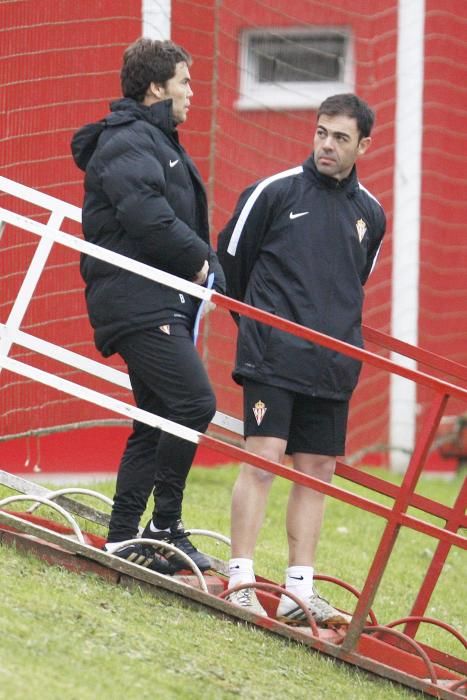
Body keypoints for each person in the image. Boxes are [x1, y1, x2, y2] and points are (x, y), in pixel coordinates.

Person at [217, 93, 386, 625]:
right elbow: (229, 260)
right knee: (263, 458)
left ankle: (299, 590)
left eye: (340, 137)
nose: (327, 145)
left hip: (333, 364)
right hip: (272, 355)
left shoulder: (372, 214)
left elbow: (355, 281)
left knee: (316, 472)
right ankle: (240, 578)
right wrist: (259, 327)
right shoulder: (274, 191)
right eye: (321, 132)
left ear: (363, 144)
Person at [71, 38, 225, 575]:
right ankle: (163, 528)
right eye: (184, 82)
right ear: (157, 87)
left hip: (154, 298)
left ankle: (120, 536)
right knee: (194, 404)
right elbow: (147, 217)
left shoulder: (151, 139)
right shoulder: (130, 141)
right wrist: (202, 262)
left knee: (157, 417)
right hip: (137, 300)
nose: (191, 94)